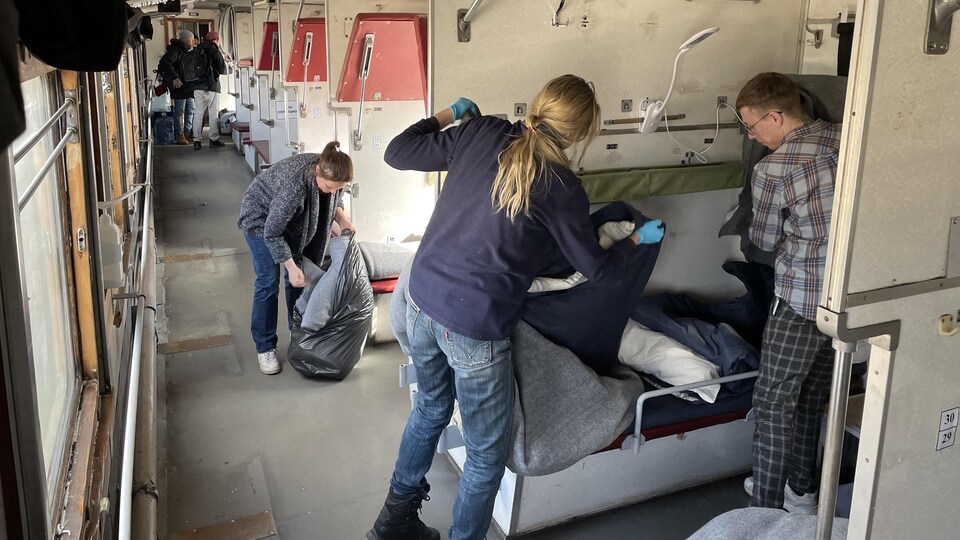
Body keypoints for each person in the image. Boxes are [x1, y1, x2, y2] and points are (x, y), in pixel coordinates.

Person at [366, 75, 664, 540]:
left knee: (429, 408)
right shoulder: (562, 187)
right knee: (487, 456)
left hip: (420, 298)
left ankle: (392, 523)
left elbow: (398, 151)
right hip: (473, 326)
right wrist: (635, 243)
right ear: (583, 133)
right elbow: (598, 270)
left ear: (538, 105)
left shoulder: (481, 130)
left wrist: (449, 112)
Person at [735, 72, 842, 513]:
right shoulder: (846, 137)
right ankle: (803, 492)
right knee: (811, 397)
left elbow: (761, 238)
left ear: (775, 117)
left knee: (774, 398)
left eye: (752, 126)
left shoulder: (772, 168)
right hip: (846, 298)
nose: (751, 135)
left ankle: (763, 508)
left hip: (800, 299)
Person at [237, 142, 355, 375]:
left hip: (293, 223)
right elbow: (272, 232)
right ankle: (265, 347)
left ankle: (298, 332)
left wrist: (341, 220)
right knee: (268, 282)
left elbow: (335, 198)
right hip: (261, 222)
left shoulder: (333, 171)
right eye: (329, 187)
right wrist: (290, 265)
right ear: (318, 171)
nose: (333, 192)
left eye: (337, 188)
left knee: (301, 279)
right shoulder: (295, 186)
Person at [158, 30, 200, 145]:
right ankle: (179, 134)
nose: (193, 41)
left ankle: (187, 132)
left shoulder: (188, 51)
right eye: (191, 39)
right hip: (179, 85)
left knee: (191, 109)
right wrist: (174, 78)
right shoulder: (175, 50)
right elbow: (164, 63)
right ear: (187, 40)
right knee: (179, 111)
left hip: (189, 86)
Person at [192, 31, 227, 150]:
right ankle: (213, 139)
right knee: (213, 113)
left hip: (197, 86)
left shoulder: (196, 50)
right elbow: (222, 70)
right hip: (212, 86)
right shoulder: (215, 51)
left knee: (198, 113)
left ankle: (196, 141)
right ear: (216, 40)